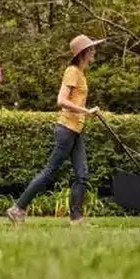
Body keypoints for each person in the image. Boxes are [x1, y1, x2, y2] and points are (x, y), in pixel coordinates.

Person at [7, 34, 105, 226]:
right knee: (50, 171)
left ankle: (76, 219)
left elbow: (75, 101)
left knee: (82, 174)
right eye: (92, 49)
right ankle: (18, 208)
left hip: (76, 129)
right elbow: (61, 100)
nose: (94, 51)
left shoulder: (80, 73)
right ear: (83, 53)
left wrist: (87, 114)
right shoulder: (72, 71)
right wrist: (86, 111)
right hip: (66, 129)